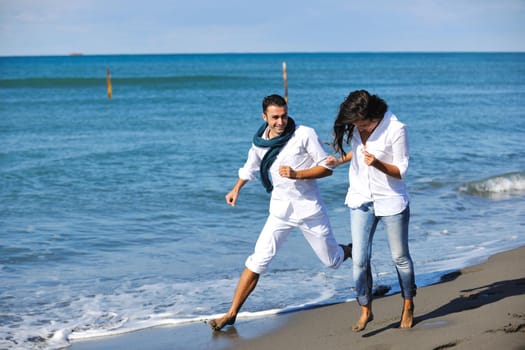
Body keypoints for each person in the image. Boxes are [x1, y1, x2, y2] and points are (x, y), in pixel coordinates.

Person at [208, 94, 351, 331]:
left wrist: (298, 174)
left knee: (332, 261)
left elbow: (326, 167)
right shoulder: (259, 142)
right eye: (275, 117)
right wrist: (236, 189)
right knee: (257, 260)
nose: (281, 122)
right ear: (265, 117)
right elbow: (250, 168)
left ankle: (350, 250)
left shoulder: (304, 134)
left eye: (284, 116)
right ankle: (231, 313)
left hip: (309, 210)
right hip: (280, 211)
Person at [327, 90, 416, 331]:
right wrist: (339, 160)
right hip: (360, 199)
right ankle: (366, 308)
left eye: (363, 123)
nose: (359, 128)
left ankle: (408, 304)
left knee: (400, 257)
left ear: (374, 116)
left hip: (391, 200)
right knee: (360, 259)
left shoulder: (396, 129)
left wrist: (377, 163)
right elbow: (359, 152)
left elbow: (401, 170)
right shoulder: (358, 125)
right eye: (356, 124)